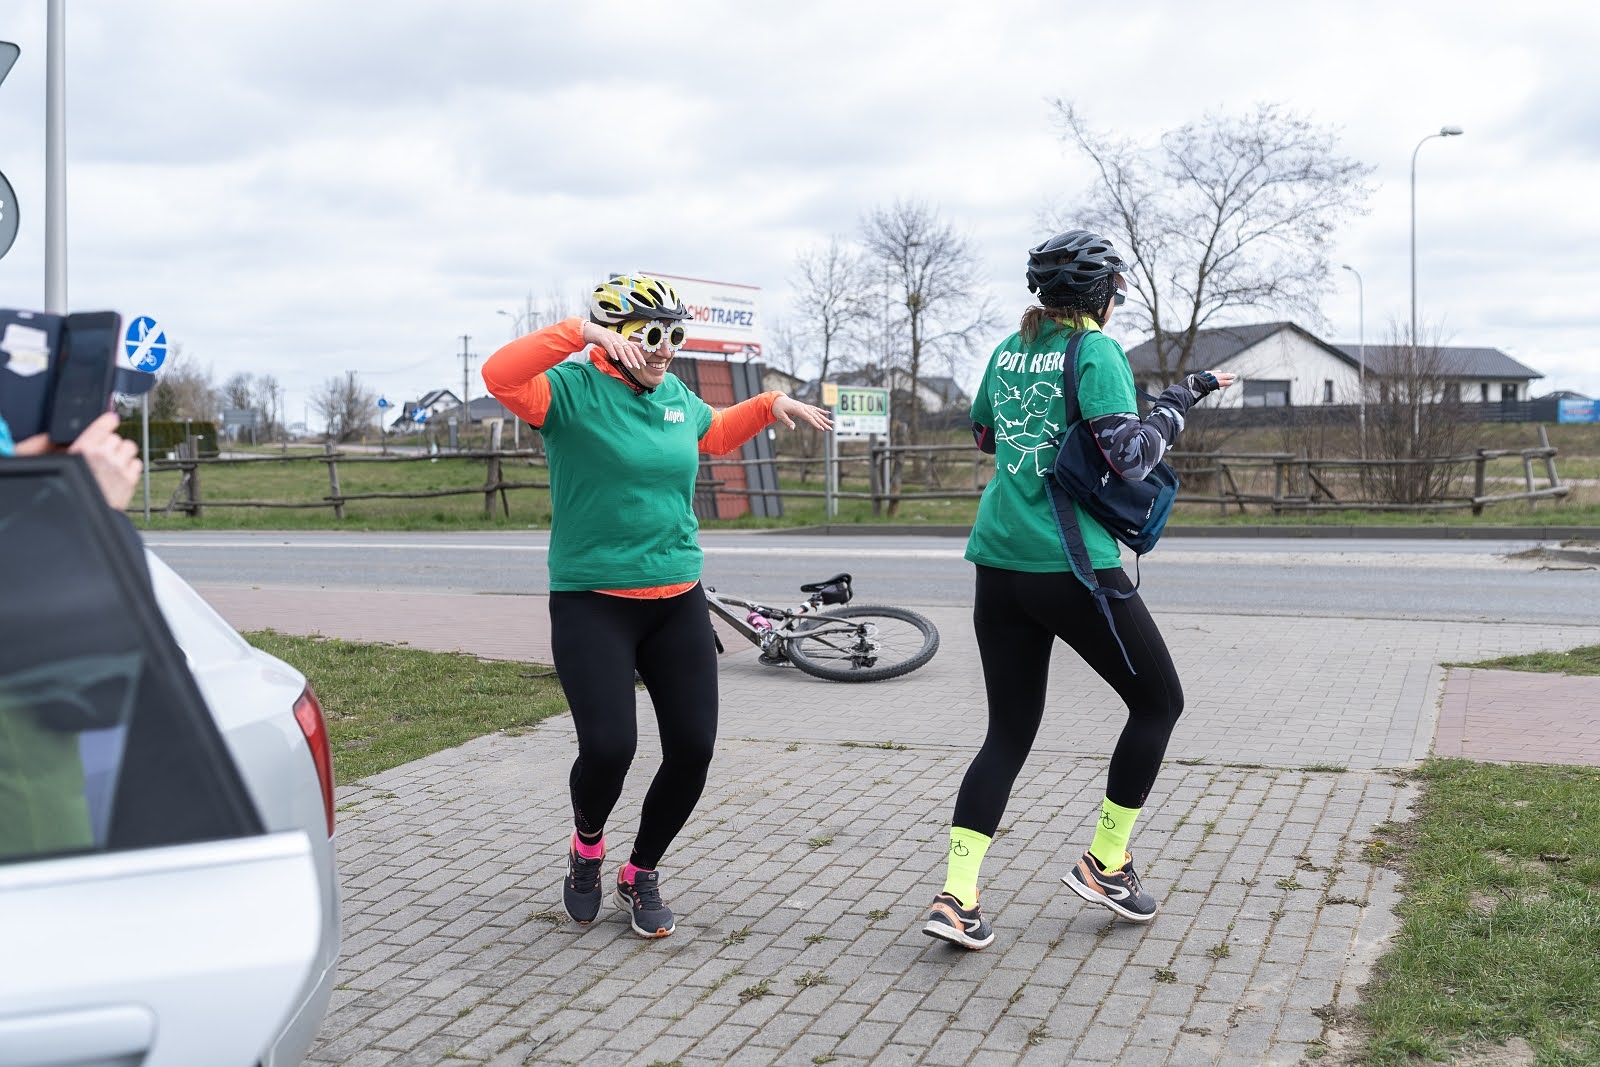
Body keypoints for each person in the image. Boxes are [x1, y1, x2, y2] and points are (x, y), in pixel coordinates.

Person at [482, 274, 832, 939]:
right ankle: (587, 846)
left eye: (675, 335)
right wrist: (579, 333)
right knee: (610, 747)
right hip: (592, 601)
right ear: (615, 337)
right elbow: (499, 374)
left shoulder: (673, 394)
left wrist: (768, 403)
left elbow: (715, 432)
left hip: (677, 599)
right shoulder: (568, 392)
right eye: (651, 336)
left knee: (693, 749)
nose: (667, 349)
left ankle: (639, 870)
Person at [922, 230, 1235, 949]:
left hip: (997, 562)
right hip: (1071, 566)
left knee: (1007, 732)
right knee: (1159, 703)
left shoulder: (1009, 349)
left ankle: (957, 896)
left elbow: (984, 435)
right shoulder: (1095, 350)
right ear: (1101, 295)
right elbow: (1131, 457)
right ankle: (1106, 863)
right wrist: (1179, 400)